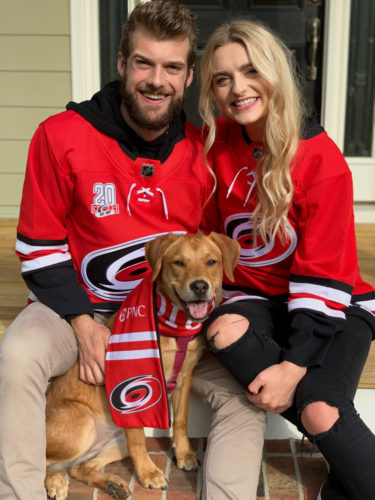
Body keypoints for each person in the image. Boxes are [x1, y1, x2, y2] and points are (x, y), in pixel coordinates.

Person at [0, 3, 267, 499]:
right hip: (83, 309)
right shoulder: (61, 137)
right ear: (123, 64)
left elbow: (225, 244)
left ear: (188, 76)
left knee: (243, 392)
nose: (156, 80)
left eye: (171, 67)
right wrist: (83, 324)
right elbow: (37, 248)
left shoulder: (206, 150)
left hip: (177, 317)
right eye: (144, 63)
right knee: (17, 353)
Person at [198, 19, 375, 500]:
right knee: (222, 330)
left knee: (320, 409)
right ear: (212, 90)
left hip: (334, 303)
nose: (238, 88)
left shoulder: (321, 160)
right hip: (256, 297)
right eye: (222, 78)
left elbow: (324, 274)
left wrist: (293, 368)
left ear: (274, 72)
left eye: (250, 70)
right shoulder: (217, 148)